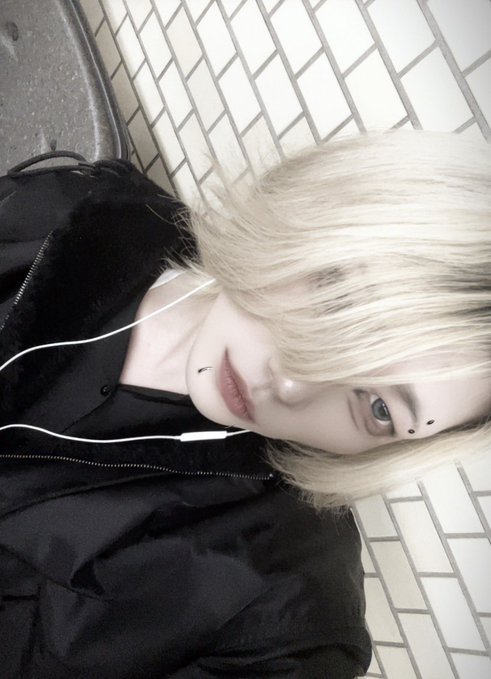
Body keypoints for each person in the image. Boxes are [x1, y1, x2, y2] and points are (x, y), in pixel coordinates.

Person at [0, 127, 489, 677]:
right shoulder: (87, 210)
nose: (291, 385)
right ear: (310, 210)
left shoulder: (283, 622)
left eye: (380, 408)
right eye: (337, 296)